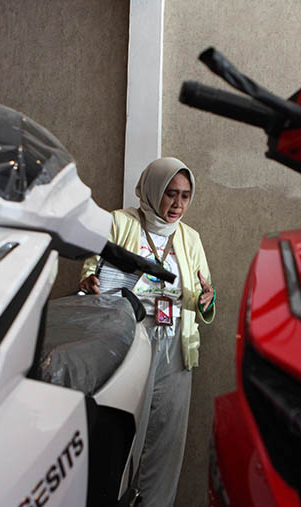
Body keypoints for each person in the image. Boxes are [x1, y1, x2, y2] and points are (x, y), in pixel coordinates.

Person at [79, 157, 215, 506]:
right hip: (127, 339)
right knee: (123, 434)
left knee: (167, 437)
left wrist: (206, 299)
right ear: (154, 190)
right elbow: (92, 270)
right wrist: (89, 281)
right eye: (170, 194)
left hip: (175, 342)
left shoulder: (191, 238)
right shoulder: (121, 223)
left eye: (185, 196)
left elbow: (202, 297)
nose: (177, 205)